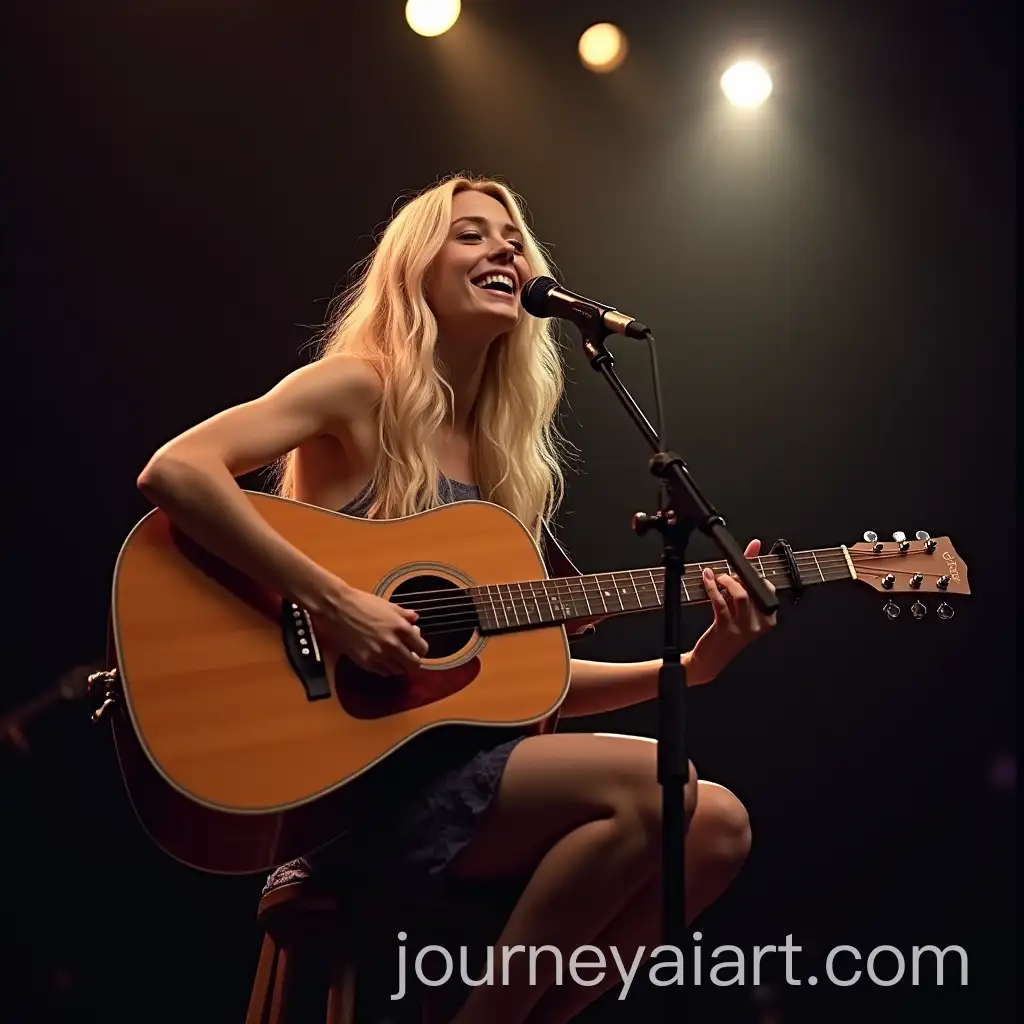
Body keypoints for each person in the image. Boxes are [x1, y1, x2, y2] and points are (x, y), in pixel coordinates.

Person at [136, 174, 776, 1024]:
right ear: (417, 268)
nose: (505, 249)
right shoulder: (358, 388)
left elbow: (518, 683)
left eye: (512, 238)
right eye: (471, 235)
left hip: (465, 780)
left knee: (717, 828)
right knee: (661, 788)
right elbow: (174, 470)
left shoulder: (505, 466)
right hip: (356, 796)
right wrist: (334, 601)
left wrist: (690, 668)